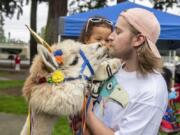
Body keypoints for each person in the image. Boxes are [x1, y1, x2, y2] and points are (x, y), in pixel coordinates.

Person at [85, 8, 168, 135]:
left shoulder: (151, 90)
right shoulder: (116, 69)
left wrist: (88, 115)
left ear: (138, 39)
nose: (110, 37)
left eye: (118, 32)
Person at [69, 15, 113, 134]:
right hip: (81, 113)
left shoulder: (111, 61)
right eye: (98, 39)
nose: (103, 43)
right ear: (87, 39)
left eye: (108, 40)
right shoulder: (79, 59)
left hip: (102, 114)